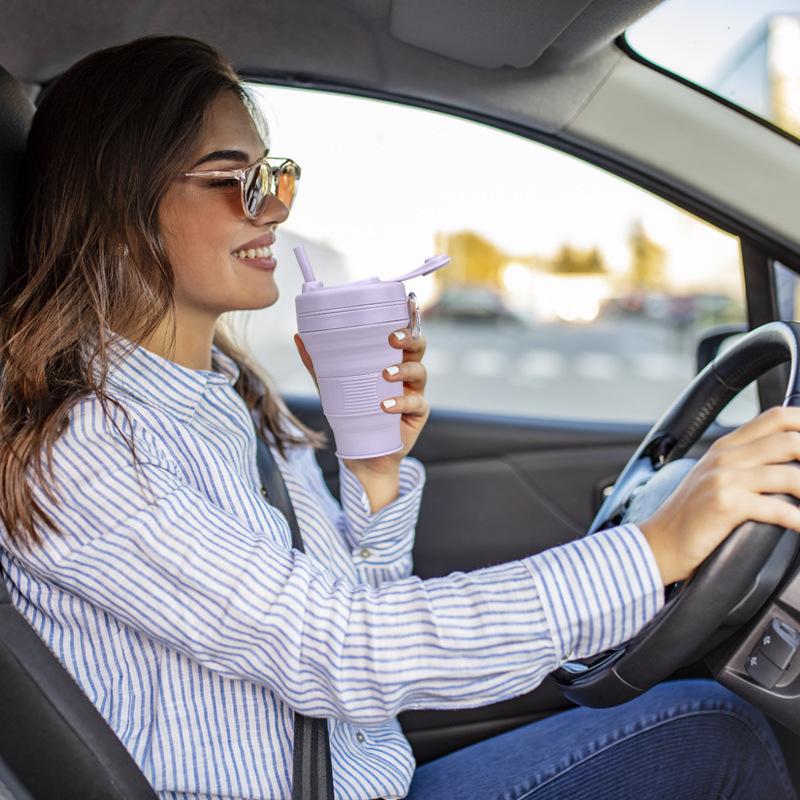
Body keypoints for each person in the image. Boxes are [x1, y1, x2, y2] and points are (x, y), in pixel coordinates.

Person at [0, 34, 796, 800]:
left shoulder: (233, 397)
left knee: (710, 726)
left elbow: (357, 644)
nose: (273, 209)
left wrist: (374, 474)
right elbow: (341, 648)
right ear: (121, 204)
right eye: (235, 178)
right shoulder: (87, 452)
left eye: (276, 176)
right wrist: (653, 550)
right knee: (715, 730)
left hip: (370, 777)